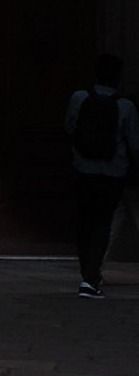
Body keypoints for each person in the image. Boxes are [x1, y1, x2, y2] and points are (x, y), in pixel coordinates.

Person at [63, 54, 139, 298]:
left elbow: (69, 127)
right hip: (112, 173)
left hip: (83, 169)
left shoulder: (80, 98)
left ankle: (87, 271)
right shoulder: (125, 106)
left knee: (84, 222)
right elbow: (134, 143)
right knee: (102, 224)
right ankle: (90, 277)